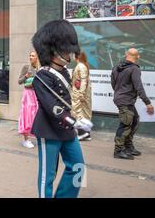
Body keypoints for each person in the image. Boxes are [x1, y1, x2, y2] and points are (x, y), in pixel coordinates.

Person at [32, 19, 93, 198]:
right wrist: (75, 121)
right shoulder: (42, 76)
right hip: (49, 129)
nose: (70, 53)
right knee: (47, 176)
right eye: (66, 48)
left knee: (78, 168)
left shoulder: (65, 72)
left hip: (66, 129)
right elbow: (53, 108)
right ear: (55, 50)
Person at [111, 48, 154, 160]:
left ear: (126, 55)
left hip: (122, 99)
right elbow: (139, 87)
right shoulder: (134, 69)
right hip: (125, 100)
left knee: (134, 120)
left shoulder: (116, 67)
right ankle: (118, 150)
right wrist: (148, 103)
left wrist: (120, 92)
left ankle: (128, 146)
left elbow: (113, 84)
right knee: (125, 124)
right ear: (138, 56)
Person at [18, 51, 40, 148]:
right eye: (30, 55)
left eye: (33, 56)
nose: (31, 57)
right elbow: (19, 81)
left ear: (37, 58)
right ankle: (26, 140)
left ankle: (37, 137)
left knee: (36, 115)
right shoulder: (26, 67)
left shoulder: (40, 69)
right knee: (27, 115)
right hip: (28, 94)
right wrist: (26, 76)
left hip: (37, 95)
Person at [71, 52, 92, 141]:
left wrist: (81, 94)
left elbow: (83, 81)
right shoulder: (83, 66)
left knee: (79, 112)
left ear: (76, 57)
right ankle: (86, 134)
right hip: (81, 93)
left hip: (79, 94)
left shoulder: (81, 66)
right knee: (84, 112)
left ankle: (83, 133)